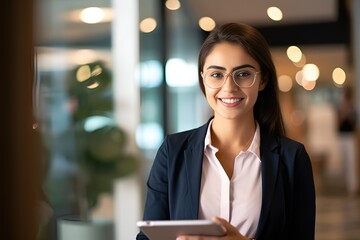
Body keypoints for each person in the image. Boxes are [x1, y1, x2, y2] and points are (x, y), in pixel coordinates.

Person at [136, 22, 316, 240]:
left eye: (243, 74)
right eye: (216, 75)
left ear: (263, 80)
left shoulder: (292, 158)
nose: (229, 87)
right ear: (203, 79)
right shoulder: (172, 151)